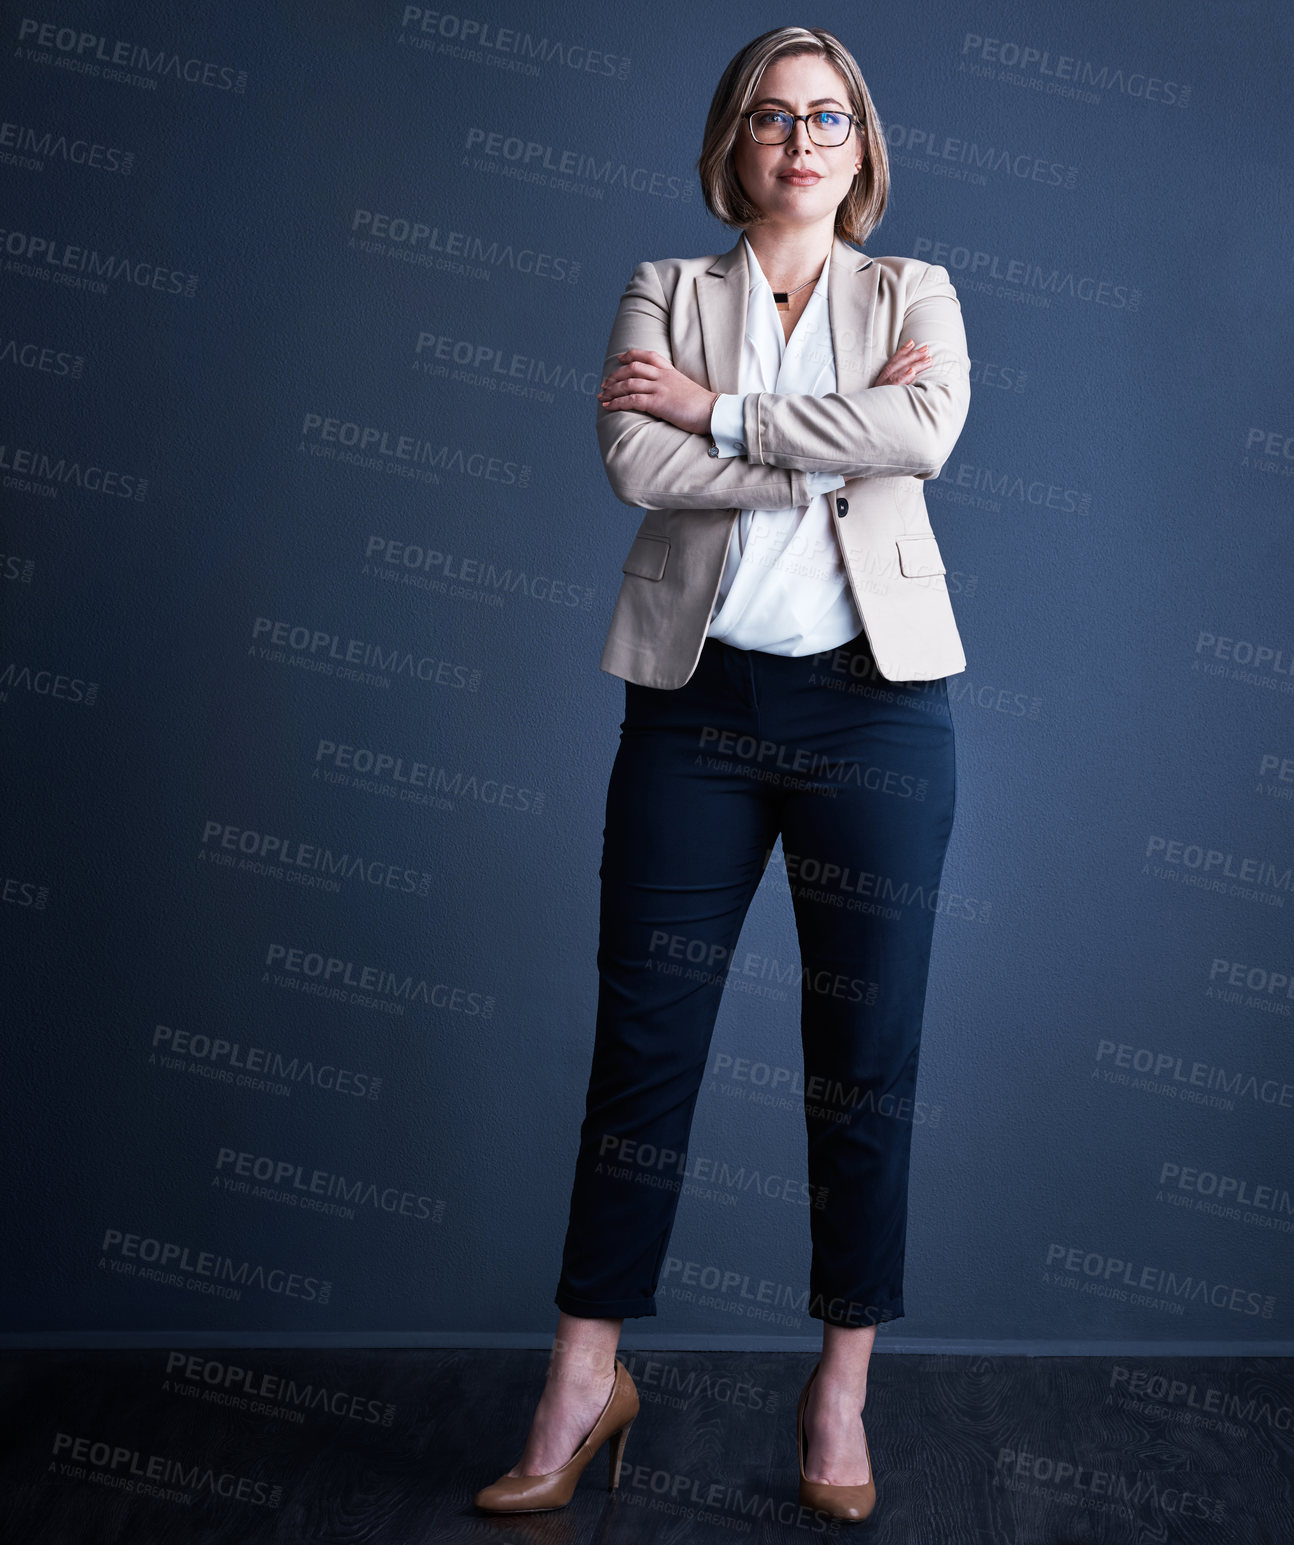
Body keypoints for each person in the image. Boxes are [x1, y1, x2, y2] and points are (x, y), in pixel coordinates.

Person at [475, 24, 972, 1524]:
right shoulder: (664, 290)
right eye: (772, 115)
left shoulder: (916, 294)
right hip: (691, 709)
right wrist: (820, 440)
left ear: (861, 146)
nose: (801, 138)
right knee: (642, 1050)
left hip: (875, 713)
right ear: (732, 143)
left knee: (862, 1056)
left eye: (828, 117)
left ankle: (839, 1388)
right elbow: (638, 464)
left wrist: (726, 416)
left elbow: (924, 432)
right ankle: (581, 1379)